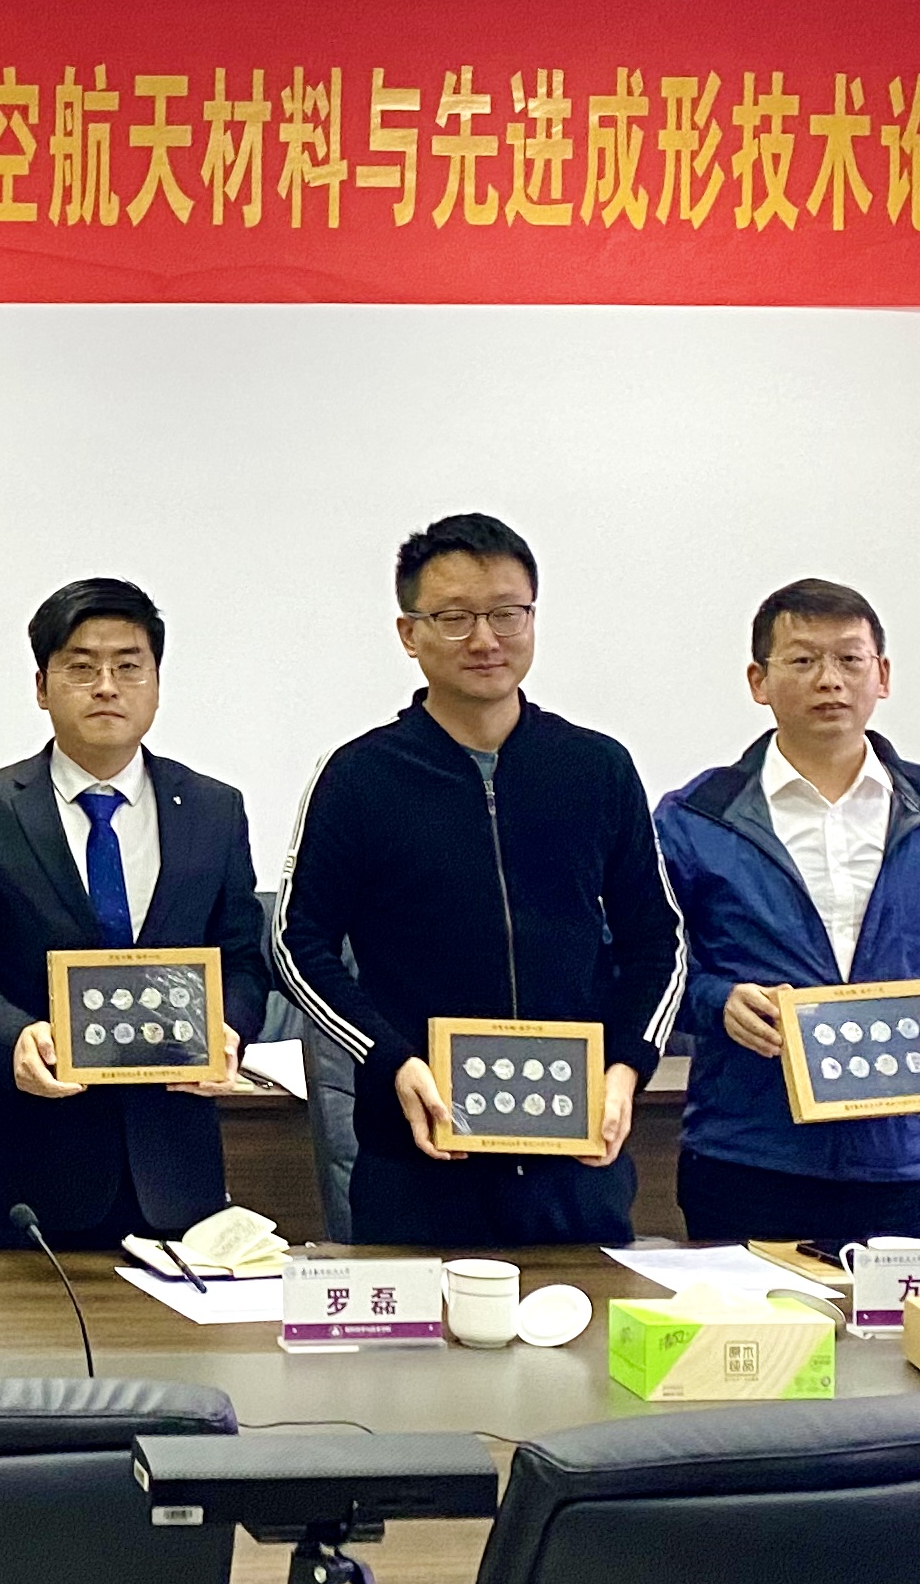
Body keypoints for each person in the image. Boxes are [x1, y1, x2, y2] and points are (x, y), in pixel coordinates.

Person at [274, 511, 683, 1250]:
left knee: (581, 1326)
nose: (486, 640)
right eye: (455, 618)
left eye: (506, 613)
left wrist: (626, 1067)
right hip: (418, 1161)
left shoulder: (596, 768)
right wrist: (389, 1058)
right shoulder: (361, 776)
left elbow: (660, 941)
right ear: (410, 634)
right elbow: (296, 941)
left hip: (576, 1163)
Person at [654, 579, 920, 1251]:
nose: (829, 680)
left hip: (901, 1161)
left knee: (900, 1323)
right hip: (747, 1158)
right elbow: (640, 964)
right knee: (752, 1323)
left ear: (882, 675)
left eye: (850, 659)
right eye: (803, 660)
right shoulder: (696, 818)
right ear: (758, 681)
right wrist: (717, 1001)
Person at [0, 577, 272, 1252]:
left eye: (128, 666)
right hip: (32, 1169)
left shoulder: (213, 810)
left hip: (178, 1170)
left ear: (156, 683)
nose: (106, 686)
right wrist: (13, 1037)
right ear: (42, 686)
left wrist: (228, 1028)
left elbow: (244, 959)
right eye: (81, 667)